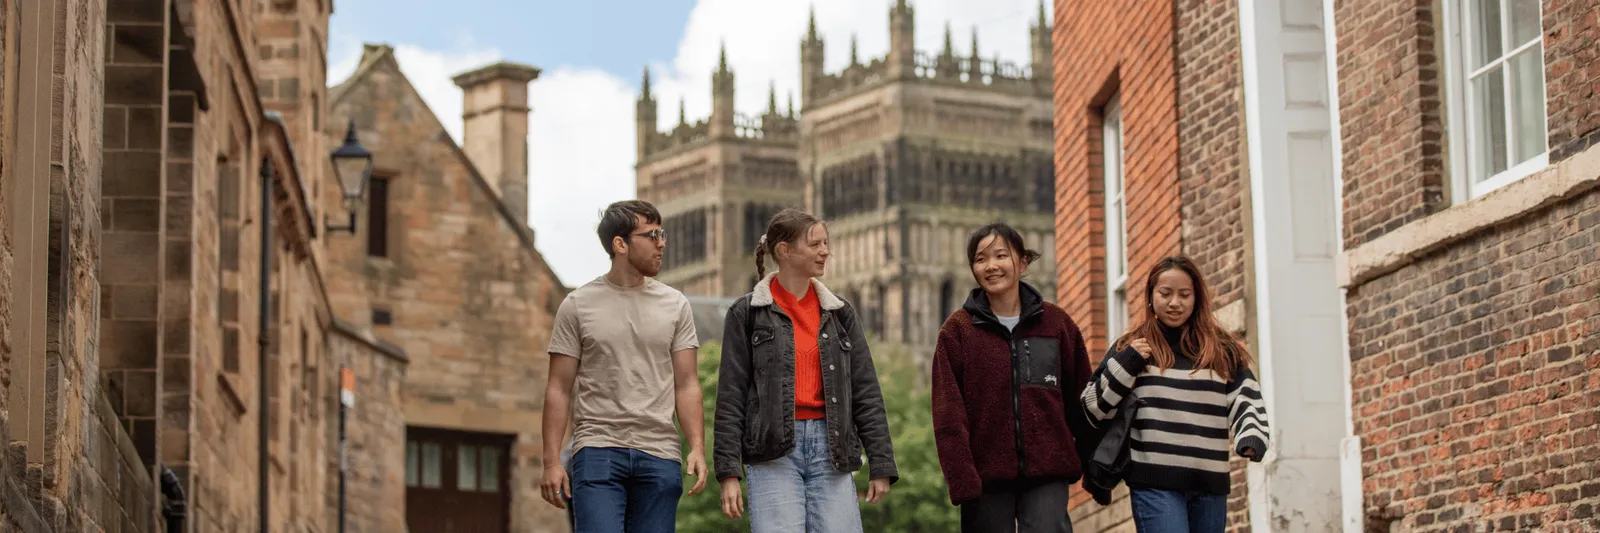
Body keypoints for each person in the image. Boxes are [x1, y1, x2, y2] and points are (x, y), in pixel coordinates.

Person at [713, 208, 898, 533]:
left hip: (833, 448)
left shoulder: (841, 313)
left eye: (826, 243)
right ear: (784, 251)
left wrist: (881, 462)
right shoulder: (746, 314)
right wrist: (728, 472)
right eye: (815, 244)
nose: (825, 251)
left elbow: (866, 390)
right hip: (772, 454)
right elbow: (731, 396)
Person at [539, 200, 708, 532]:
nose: (662, 242)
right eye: (652, 234)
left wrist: (698, 447)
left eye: (663, 233)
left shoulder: (675, 305)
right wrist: (550, 461)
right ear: (620, 244)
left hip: (659, 453)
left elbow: (686, 384)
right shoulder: (577, 305)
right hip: (597, 451)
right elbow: (559, 388)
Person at [1079, 255, 1269, 533]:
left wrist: (1251, 436)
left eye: (1184, 295)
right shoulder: (1131, 346)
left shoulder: (1221, 350)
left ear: (1197, 298)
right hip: (1154, 484)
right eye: (1165, 294)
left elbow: (1247, 397)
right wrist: (1128, 363)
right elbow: (1091, 407)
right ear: (1150, 296)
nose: (1175, 303)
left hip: (1210, 485)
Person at [931, 222, 1096, 532]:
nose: (991, 266)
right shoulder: (957, 332)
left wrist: (1094, 467)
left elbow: (1082, 401)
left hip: (1049, 470)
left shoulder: (1057, 324)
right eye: (980, 259)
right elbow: (948, 415)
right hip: (985, 479)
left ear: (1022, 262)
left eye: (1001, 256)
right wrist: (962, 480)